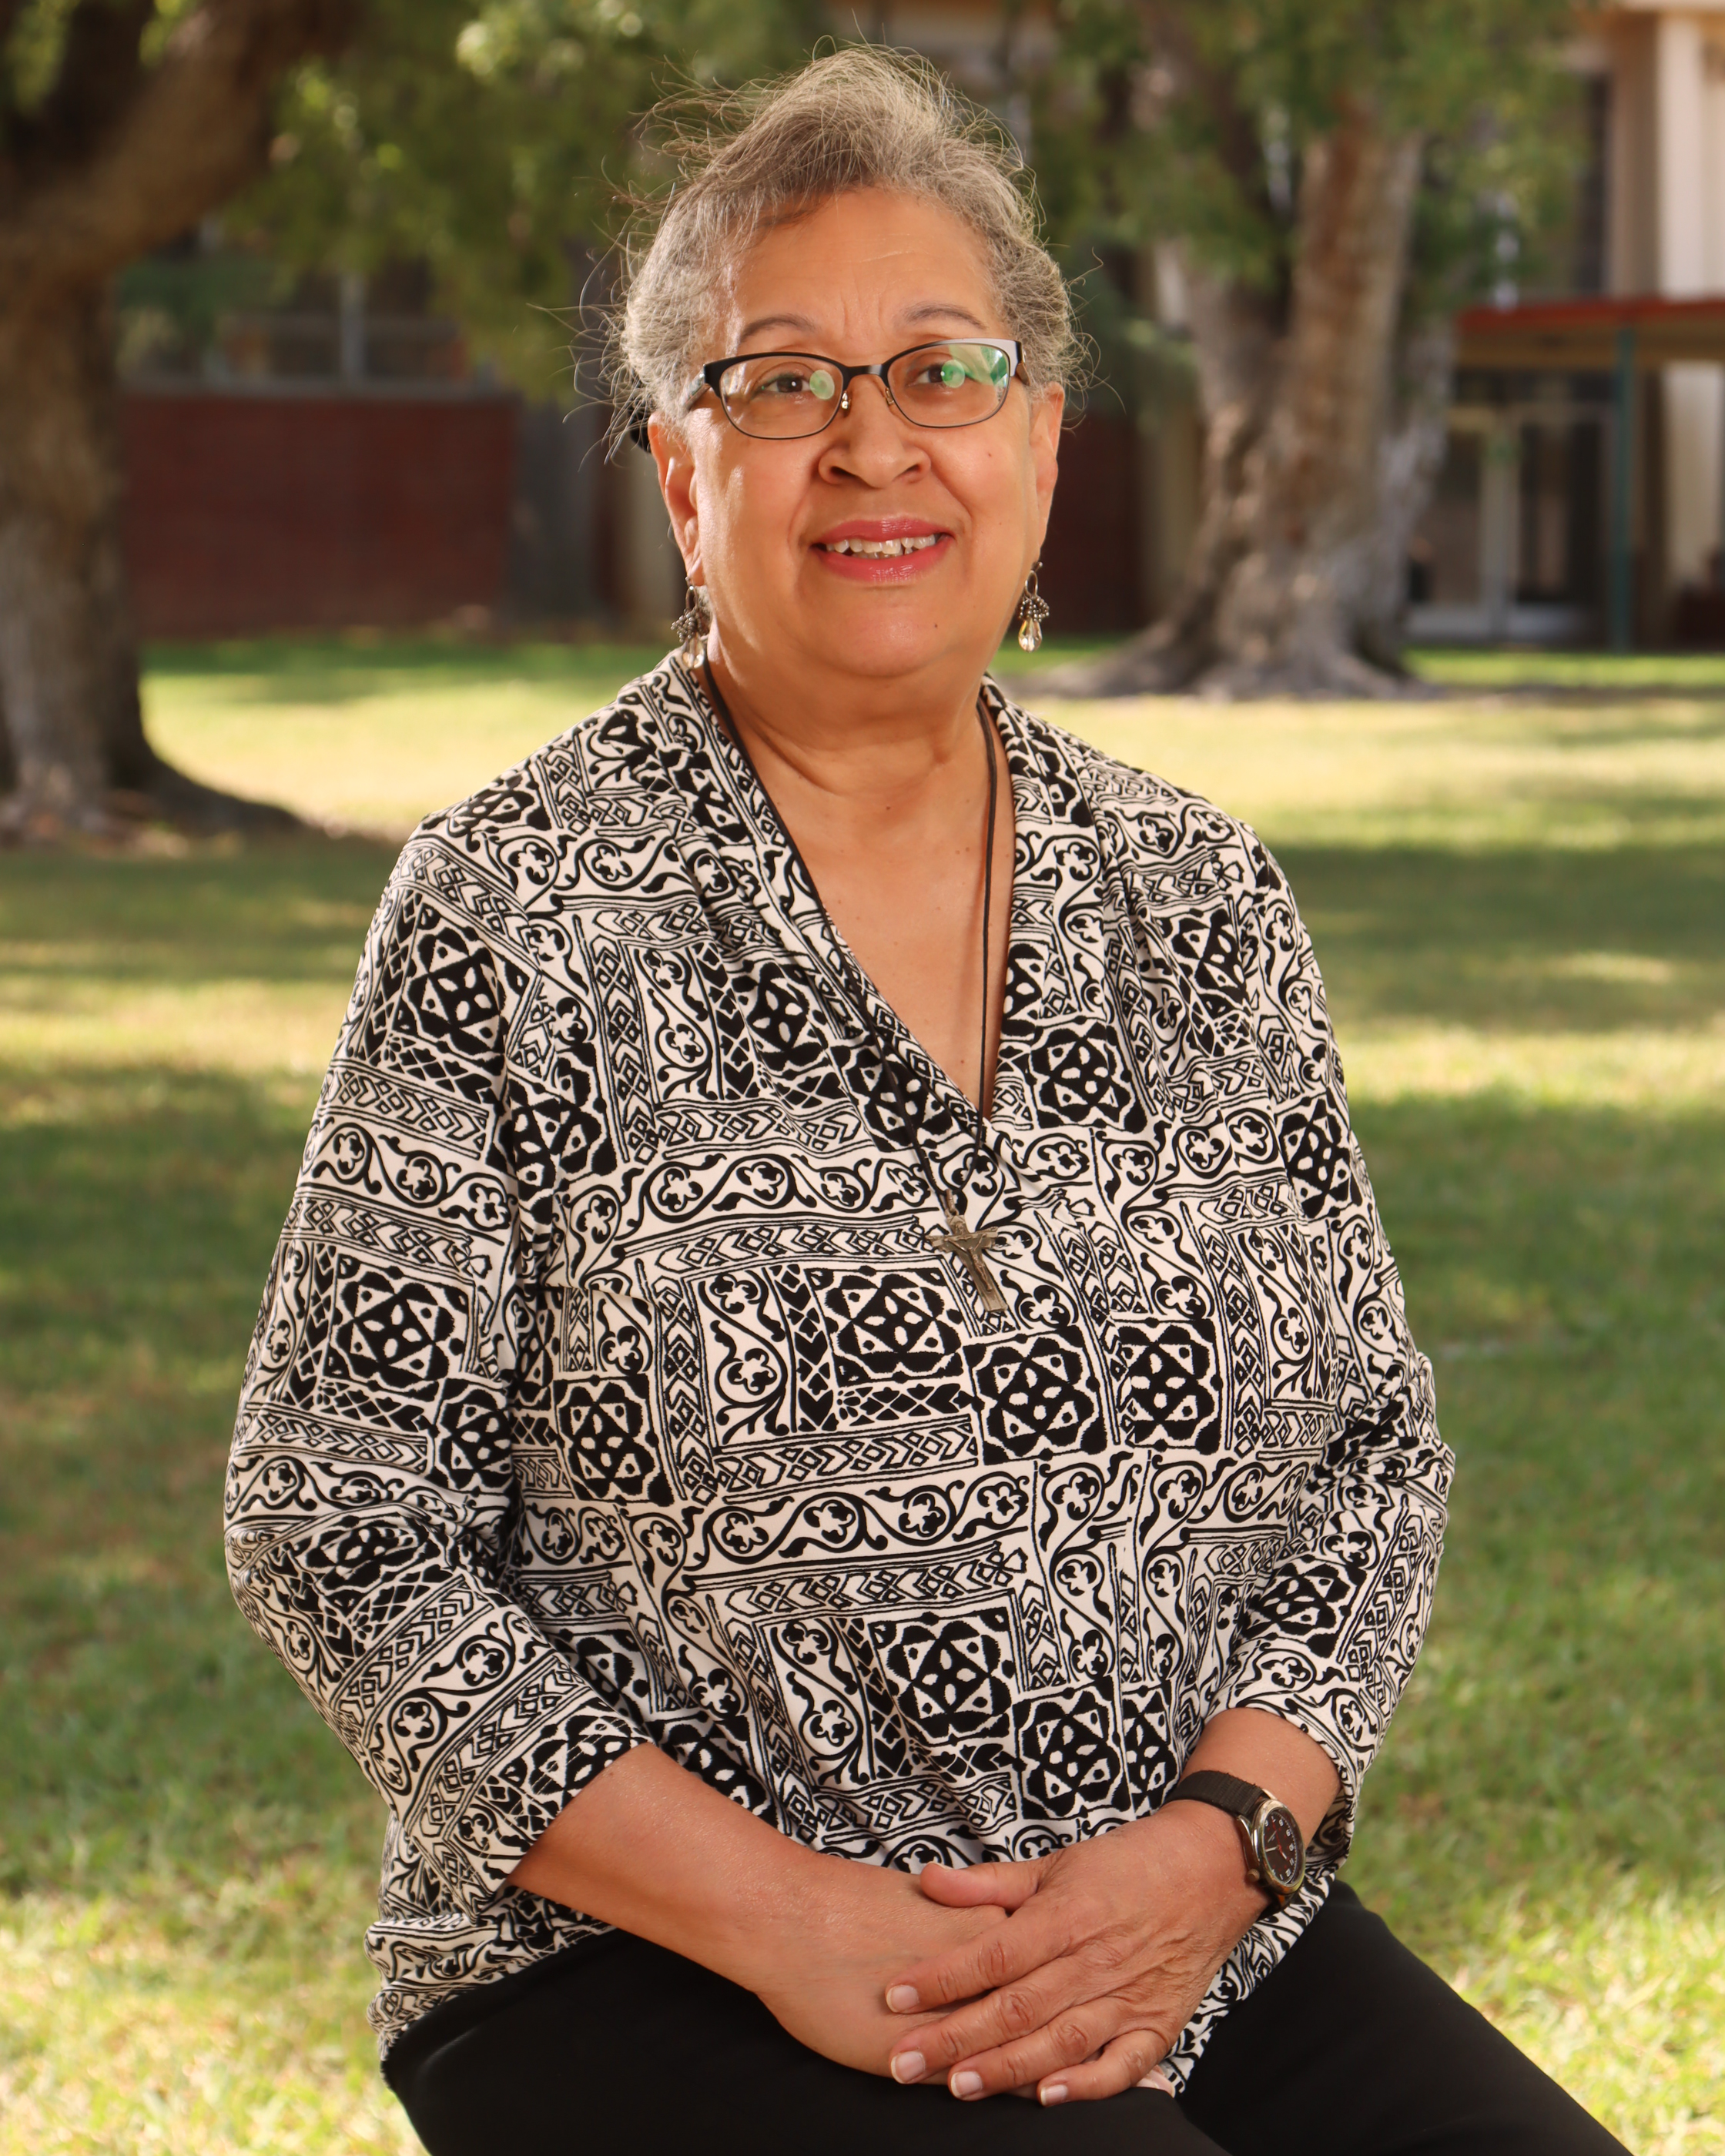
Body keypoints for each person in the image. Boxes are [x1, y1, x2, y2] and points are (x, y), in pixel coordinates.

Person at [226, 48, 1625, 2156]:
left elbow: (1370, 1460)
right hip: (645, 1962)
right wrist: (790, 1920)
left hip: (1177, 1910)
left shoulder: (1199, 893)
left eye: (942, 372)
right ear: (683, 477)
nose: (871, 440)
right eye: (781, 382)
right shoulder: (516, 905)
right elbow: (334, 1524)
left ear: (1038, 442)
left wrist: (1218, 1850)